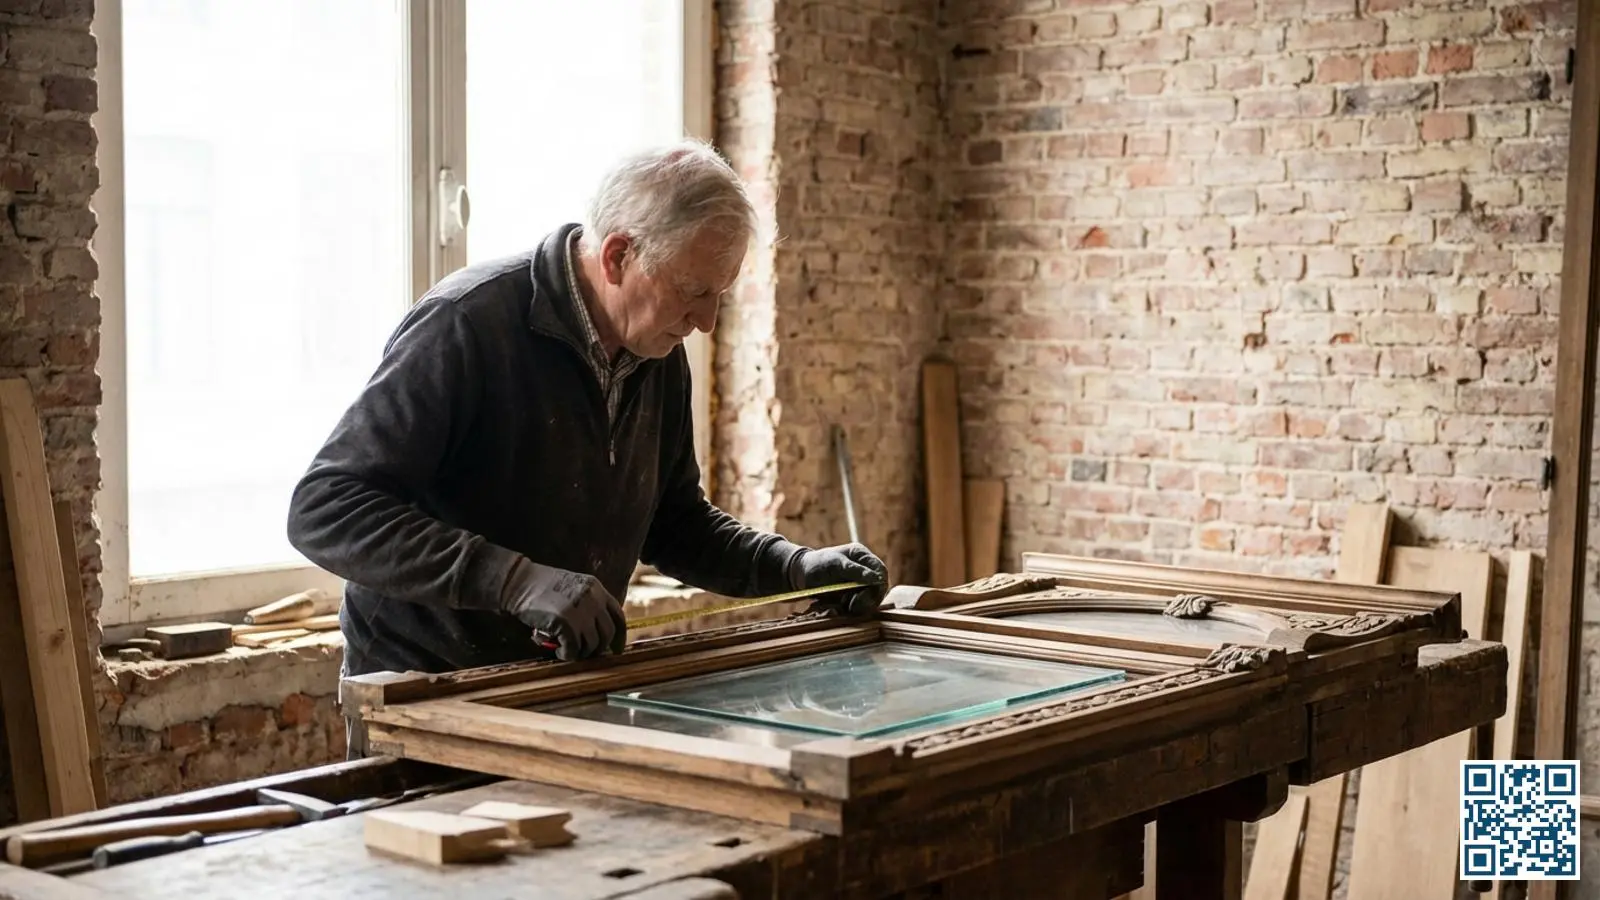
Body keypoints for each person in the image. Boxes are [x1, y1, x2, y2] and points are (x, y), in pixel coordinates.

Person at [285, 140, 888, 680]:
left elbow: (674, 524)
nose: (705, 322)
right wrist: (515, 580)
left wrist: (794, 567)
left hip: (562, 683)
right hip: (423, 689)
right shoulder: (467, 324)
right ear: (618, 255)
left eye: (719, 295)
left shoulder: (656, 346)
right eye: (693, 291)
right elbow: (325, 509)